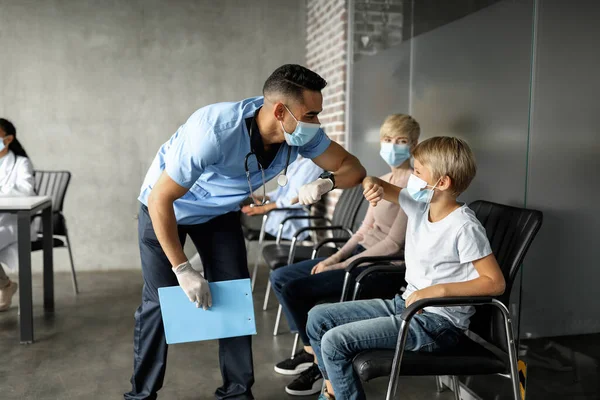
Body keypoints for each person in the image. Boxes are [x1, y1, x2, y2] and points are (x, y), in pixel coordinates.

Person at [125, 64, 366, 400]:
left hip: (219, 213)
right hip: (167, 208)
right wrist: (183, 268)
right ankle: (142, 395)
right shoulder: (214, 131)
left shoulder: (298, 135)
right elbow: (160, 198)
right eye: (311, 114)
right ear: (280, 111)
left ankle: (237, 393)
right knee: (160, 302)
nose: (317, 123)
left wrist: (327, 182)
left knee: (234, 296)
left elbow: (354, 168)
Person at [306, 136, 506, 400]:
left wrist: (434, 291)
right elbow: (375, 183)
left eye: (417, 171)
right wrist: (372, 185)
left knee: (334, 342)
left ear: (442, 182)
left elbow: (494, 282)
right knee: (318, 318)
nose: (411, 175)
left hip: (438, 324)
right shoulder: (420, 206)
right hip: (407, 305)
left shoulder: (464, 227)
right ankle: (333, 393)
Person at [270, 114, 420, 396]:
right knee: (280, 277)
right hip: (360, 256)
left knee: (294, 290)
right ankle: (312, 353)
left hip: (379, 267)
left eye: (401, 141)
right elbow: (363, 231)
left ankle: (317, 363)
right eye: (388, 140)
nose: (393, 146)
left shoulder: (412, 186)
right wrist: (332, 259)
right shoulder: (381, 180)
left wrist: (345, 263)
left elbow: (392, 243)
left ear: (413, 145)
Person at [241, 156, 323, 241]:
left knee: (238, 219)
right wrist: (261, 198)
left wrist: (264, 208)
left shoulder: (312, 164)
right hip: (276, 213)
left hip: (291, 219)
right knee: (241, 204)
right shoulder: (295, 161)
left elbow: (295, 199)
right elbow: (280, 193)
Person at [0, 118, 35, 311]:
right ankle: (6, 285)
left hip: (13, 223)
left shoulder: (21, 163)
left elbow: (27, 190)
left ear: (8, 139)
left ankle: (5, 285)